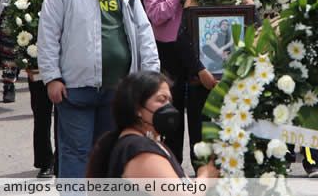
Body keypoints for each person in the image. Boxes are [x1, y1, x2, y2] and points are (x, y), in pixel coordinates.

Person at [37, 0, 159, 178]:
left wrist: (151, 79)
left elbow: (143, 31)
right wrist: (52, 77)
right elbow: (48, 34)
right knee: (75, 152)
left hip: (118, 88)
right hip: (75, 87)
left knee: (108, 153)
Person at [177, 0, 254, 169]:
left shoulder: (245, 2)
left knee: (235, 138)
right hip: (202, 82)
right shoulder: (193, 2)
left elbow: (255, 40)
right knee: (201, 137)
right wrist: (201, 71)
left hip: (236, 84)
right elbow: (183, 42)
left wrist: (236, 73)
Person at [86, 71, 219, 180]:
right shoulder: (139, 150)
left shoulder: (145, 142)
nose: (168, 107)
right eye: (161, 100)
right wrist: (206, 175)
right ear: (137, 107)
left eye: (169, 101)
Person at [26, 0, 73, 179]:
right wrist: (28, 53)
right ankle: (45, 160)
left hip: (67, 62)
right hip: (38, 61)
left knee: (64, 114)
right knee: (42, 113)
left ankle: (63, 160)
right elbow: (22, 24)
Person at [143, 0, 190, 162]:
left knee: (198, 109)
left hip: (194, 50)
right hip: (168, 51)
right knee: (172, 109)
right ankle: (174, 163)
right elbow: (156, 15)